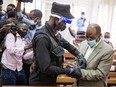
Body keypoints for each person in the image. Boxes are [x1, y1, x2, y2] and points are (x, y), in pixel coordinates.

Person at [29, 2, 87, 86]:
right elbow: (46, 68)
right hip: (40, 82)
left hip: (51, 79)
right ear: (56, 19)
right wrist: (69, 71)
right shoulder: (43, 38)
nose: (65, 26)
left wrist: (79, 55)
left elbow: (67, 45)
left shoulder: (54, 33)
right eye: (64, 22)